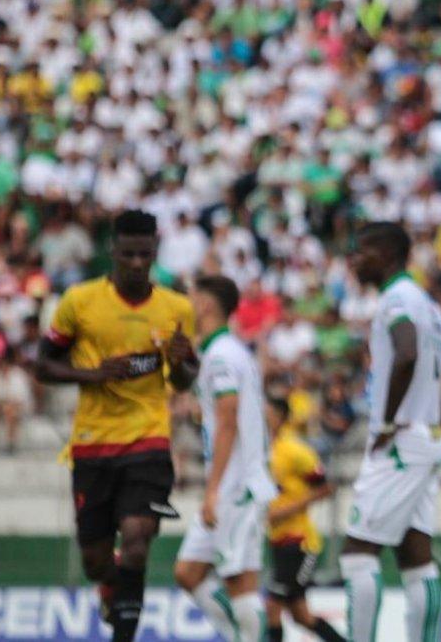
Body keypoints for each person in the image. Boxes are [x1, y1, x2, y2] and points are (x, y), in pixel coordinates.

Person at [36, 210, 198, 642]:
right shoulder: (79, 301)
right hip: (92, 443)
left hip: (149, 437)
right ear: (113, 251)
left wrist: (180, 364)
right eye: (128, 254)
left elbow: (185, 379)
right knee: (95, 561)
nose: (137, 264)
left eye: (145, 254)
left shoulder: (177, 308)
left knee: (138, 536)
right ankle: (110, 587)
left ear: (155, 251)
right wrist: (93, 374)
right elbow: (43, 365)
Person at [340, 222, 441, 642]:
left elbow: (405, 353)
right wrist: (433, 418)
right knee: (415, 560)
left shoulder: (396, 299)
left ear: (386, 255)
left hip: (400, 442)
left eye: (362, 252)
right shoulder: (423, 301)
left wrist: (389, 420)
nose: (354, 261)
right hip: (424, 437)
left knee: (357, 554)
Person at [173, 275, 278, 642]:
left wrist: (213, 489)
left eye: (191, 297)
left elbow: (228, 422)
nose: (186, 304)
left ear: (205, 304)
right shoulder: (222, 352)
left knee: (240, 581)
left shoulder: (221, 356)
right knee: (188, 572)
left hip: (237, 486)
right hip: (231, 482)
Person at [264, 396, 345, 642]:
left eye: (266, 412)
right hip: (278, 539)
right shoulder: (264, 451)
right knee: (302, 616)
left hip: (299, 541)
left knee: (273, 606)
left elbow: (326, 487)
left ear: (279, 417)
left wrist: (286, 510)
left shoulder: (294, 450)